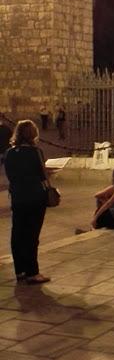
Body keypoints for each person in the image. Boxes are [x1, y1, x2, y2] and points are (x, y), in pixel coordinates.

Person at [4, 120, 50, 284]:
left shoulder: (10, 153)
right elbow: (43, 176)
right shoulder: (35, 152)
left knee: (17, 234)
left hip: (17, 197)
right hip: (35, 198)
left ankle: (20, 271)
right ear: (33, 134)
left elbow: (10, 175)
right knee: (32, 235)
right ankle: (33, 272)